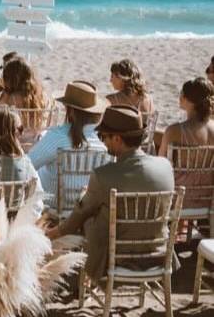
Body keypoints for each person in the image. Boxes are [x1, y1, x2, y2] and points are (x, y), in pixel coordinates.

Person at [46, 105, 174, 282]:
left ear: (117, 138)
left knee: (88, 214)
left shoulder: (103, 175)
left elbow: (74, 222)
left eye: (103, 136)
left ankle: (86, 279)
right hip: (158, 254)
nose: (102, 142)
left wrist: (47, 235)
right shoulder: (165, 166)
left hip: (116, 257)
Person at [28, 81, 107, 203]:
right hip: (86, 208)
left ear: (69, 110)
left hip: (53, 204)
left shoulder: (57, 136)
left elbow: (29, 164)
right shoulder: (103, 144)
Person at [158, 77, 214, 155]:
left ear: (190, 100)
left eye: (182, 93)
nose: (180, 96)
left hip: (175, 167)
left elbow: (161, 160)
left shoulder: (173, 131)